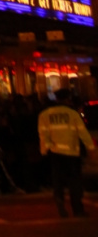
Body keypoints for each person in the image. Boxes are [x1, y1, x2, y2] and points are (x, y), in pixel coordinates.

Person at [38, 88, 94, 218]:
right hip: (72, 153)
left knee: (58, 180)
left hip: (55, 153)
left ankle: (59, 198)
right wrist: (91, 148)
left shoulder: (44, 115)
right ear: (68, 99)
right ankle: (78, 209)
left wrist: (44, 150)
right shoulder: (72, 114)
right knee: (75, 182)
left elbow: (43, 135)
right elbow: (82, 132)